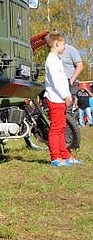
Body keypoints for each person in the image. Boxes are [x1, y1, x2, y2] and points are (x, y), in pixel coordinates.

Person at [44, 31, 82, 166]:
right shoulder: (51, 61)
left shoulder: (57, 59)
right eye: (63, 45)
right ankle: (55, 157)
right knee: (56, 128)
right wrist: (65, 95)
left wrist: (67, 94)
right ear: (56, 44)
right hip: (55, 98)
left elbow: (62, 80)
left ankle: (65, 155)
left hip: (61, 98)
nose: (64, 48)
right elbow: (56, 81)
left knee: (62, 127)